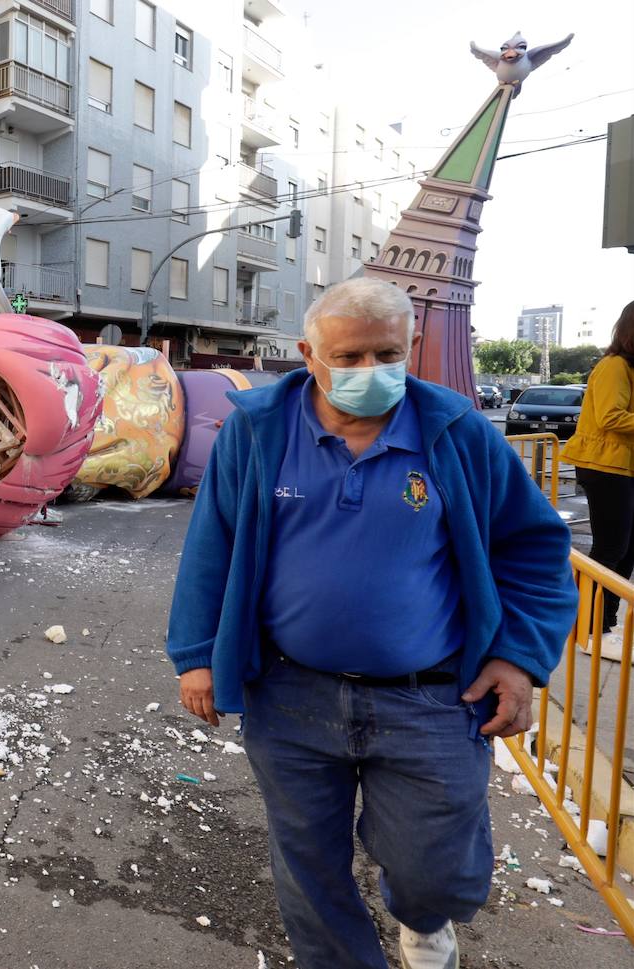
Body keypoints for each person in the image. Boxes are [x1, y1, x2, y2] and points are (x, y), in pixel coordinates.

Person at [166, 278, 576, 969]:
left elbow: (534, 546)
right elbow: (214, 542)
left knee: (435, 867)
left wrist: (518, 657)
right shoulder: (258, 429)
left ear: (410, 347)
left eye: (386, 353)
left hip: (432, 699)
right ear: (308, 353)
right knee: (309, 872)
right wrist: (198, 653)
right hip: (292, 696)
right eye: (348, 357)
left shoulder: (457, 433)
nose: (369, 372)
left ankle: (422, 916)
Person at [560, 300, 634, 653]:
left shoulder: (628, 368)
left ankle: (604, 625)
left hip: (621, 467)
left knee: (625, 550)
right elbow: (610, 418)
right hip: (605, 466)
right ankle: (586, 627)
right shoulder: (614, 366)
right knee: (611, 549)